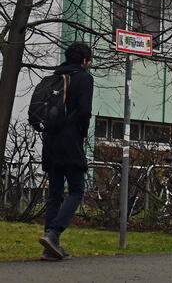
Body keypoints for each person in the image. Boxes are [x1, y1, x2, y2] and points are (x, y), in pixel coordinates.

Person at [39, 42, 94, 261]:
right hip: (70, 141)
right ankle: (53, 234)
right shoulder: (84, 78)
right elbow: (85, 110)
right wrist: (82, 133)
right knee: (77, 190)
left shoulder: (55, 78)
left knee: (55, 194)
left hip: (50, 140)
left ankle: (49, 249)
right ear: (84, 61)